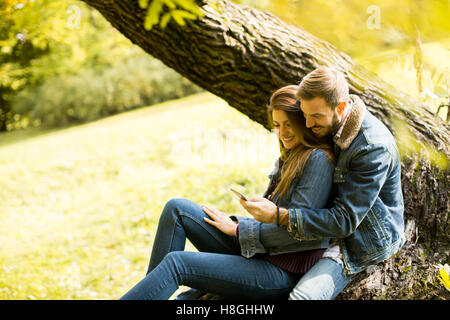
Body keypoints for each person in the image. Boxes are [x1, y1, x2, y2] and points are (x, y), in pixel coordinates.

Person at [120, 85, 336, 300]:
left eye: (289, 124)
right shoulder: (290, 157)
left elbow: (299, 231)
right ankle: (152, 292)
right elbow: (272, 221)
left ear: (303, 121)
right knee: (177, 209)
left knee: (178, 263)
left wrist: (238, 230)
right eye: (278, 125)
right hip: (263, 252)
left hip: (281, 272)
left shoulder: (317, 160)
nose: (283, 133)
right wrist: (239, 222)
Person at [240, 66, 405, 300]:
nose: (307, 124)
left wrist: (280, 215)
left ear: (340, 107)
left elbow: (345, 221)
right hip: (325, 230)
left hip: (360, 241)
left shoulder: (372, 148)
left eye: (315, 116)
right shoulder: (334, 123)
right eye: (305, 115)